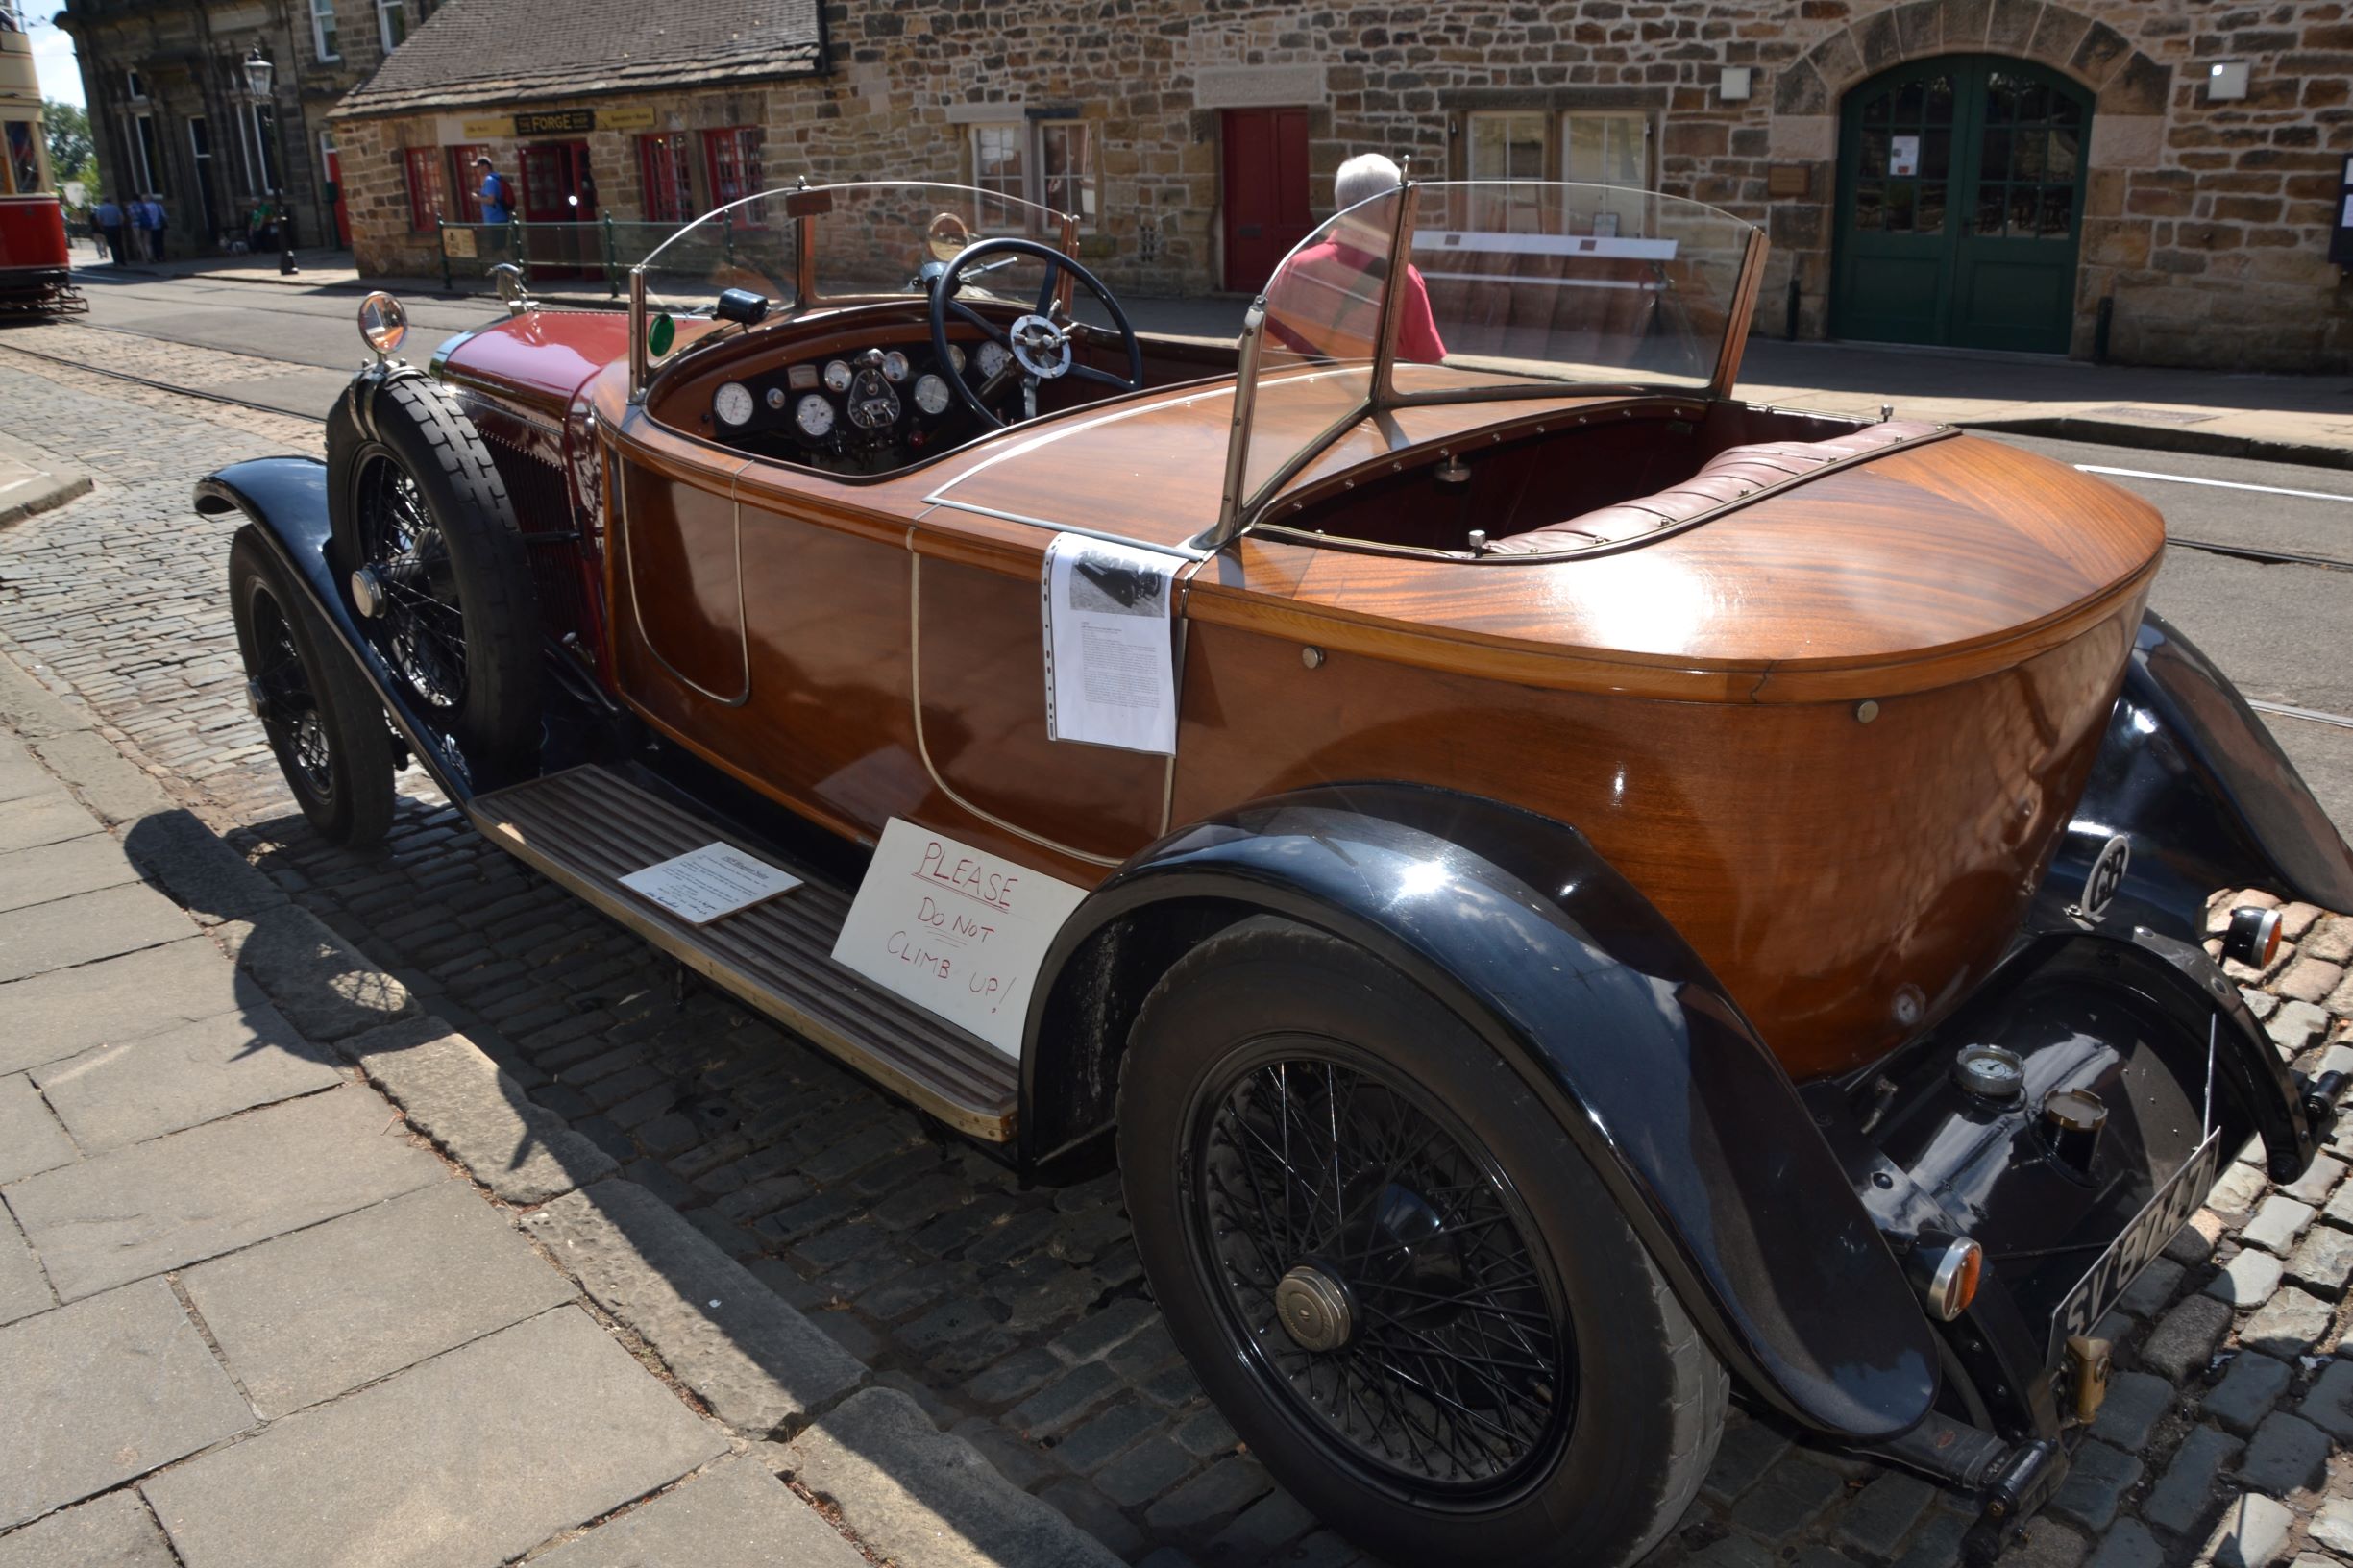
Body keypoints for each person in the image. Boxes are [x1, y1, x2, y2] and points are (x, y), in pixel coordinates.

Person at [1265, 153, 1446, 365]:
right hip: (1370, 398)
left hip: (1309, 395)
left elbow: (1253, 346)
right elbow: (1431, 367)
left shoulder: (1298, 265)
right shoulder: (1402, 276)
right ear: (1393, 206)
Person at [94, 194, 125, 265]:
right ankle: (122, 261)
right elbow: (122, 217)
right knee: (119, 244)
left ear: (103, 201)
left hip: (107, 227)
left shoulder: (101, 209)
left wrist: (101, 226)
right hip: (117, 226)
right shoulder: (115, 208)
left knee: (112, 244)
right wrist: (120, 225)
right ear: (110, 201)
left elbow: (99, 220)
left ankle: (116, 261)